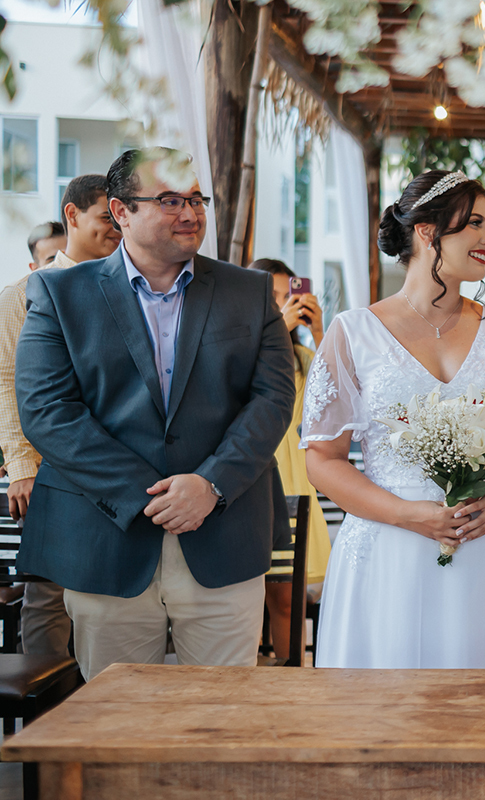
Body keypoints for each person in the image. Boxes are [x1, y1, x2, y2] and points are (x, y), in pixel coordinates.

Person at [14, 147, 294, 681]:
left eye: (196, 199)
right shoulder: (57, 292)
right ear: (121, 211)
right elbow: (47, 411)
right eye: (169, 200)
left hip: (224, 534)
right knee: (118, 717)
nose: (190, 213)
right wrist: (149, 496)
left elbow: (273, 399)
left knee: (221, 714)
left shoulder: (250, 291)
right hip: (106, 540)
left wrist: (210, 485)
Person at [302, 169, 485, 669]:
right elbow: (323, 460)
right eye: (474, 224)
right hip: (390, 548)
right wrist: (407, 514)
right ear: (426, 231)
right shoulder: (352, 333)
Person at [0, 178, 122, 656]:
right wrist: (22, 467)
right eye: (107, 217)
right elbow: (7, 384)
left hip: (119, 468)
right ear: (73, 215)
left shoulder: (133, 287)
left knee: (118, 597)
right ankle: (49, 700)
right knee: (48, 596)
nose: (117, 228)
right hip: (49, 472)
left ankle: (106, 697)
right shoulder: (24, 294)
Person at [249, 258, 332, 659]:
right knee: (241, 607)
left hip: (292, 488)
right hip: (247, 486)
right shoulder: (235, 348)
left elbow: (337, 397)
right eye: (273, 298)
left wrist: (319, 333)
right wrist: (275, 331)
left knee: (287, 603)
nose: (284, 305)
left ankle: (292, 685)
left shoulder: (302, 358)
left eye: (289, 297)